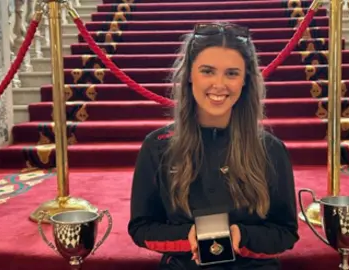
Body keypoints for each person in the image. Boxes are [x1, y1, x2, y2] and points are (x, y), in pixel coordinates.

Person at [128, 22, 299, 270]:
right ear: (189, 75)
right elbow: (141, 227)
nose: (219, 84)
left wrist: (243, 236)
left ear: (245, 80)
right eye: (207, 71)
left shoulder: (271, 149)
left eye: (232, 73)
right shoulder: (157, 147)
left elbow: (285, 232)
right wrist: (187, 236)